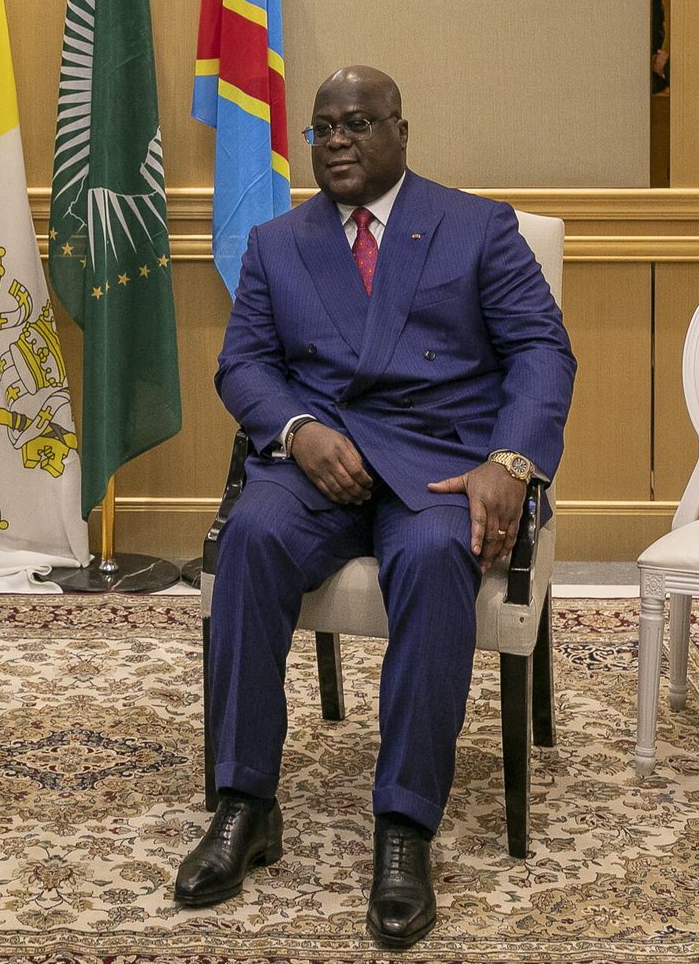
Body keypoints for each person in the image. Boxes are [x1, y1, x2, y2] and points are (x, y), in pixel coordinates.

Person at [174, 68, 575, 948]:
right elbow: (242, 366)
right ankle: (244, 803)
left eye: (359, 123)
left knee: (437, 560)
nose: (340, 140)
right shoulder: (278, 242)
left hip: (439, 467)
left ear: (402, 130)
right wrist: (299, 429)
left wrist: (509, 463)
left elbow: (542, 351)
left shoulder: (476, 225)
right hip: (317, 466)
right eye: (323, 129)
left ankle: (404, 826)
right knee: (249, 535)